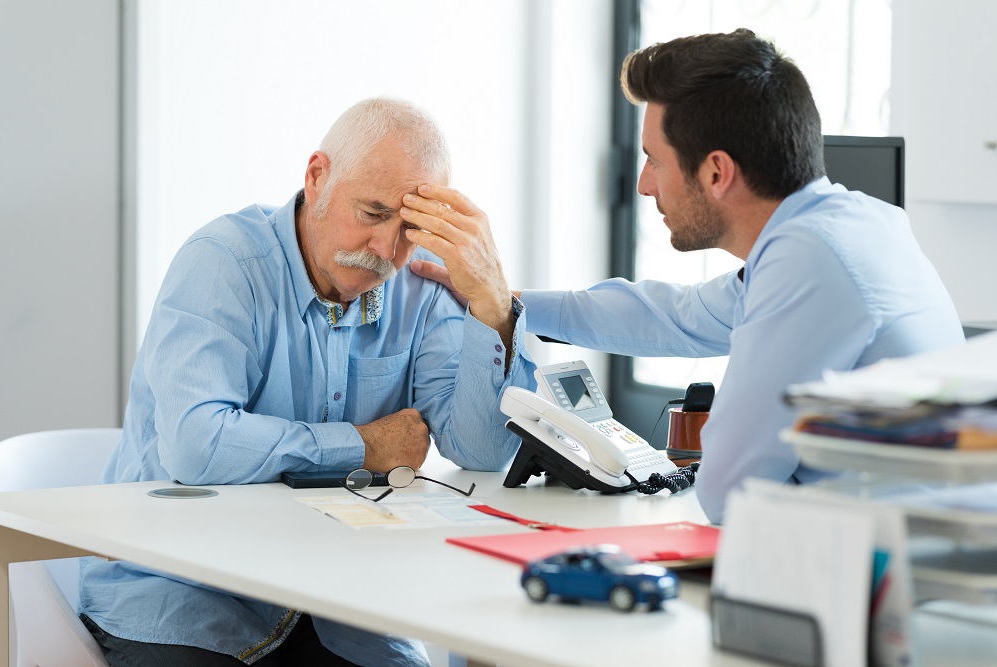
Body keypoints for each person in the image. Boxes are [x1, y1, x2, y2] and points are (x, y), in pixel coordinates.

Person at [407, 29, 964, 523]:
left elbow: (729, 490)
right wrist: (506, 300)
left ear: (717, 172)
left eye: (655, 160)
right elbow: (674, 317)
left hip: (883, 580)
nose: (644, 185)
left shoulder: (811, 264)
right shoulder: (848, 225)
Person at [79, 97, 536, 667]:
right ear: (317, 177)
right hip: (184, 594)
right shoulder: (223, 263)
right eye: (372, 213)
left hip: (335, 605)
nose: (385, 252)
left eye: (410, 229)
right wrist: (363, 445)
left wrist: (492, 306)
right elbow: (197, 446)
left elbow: (483, 451)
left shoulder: (420, 285)